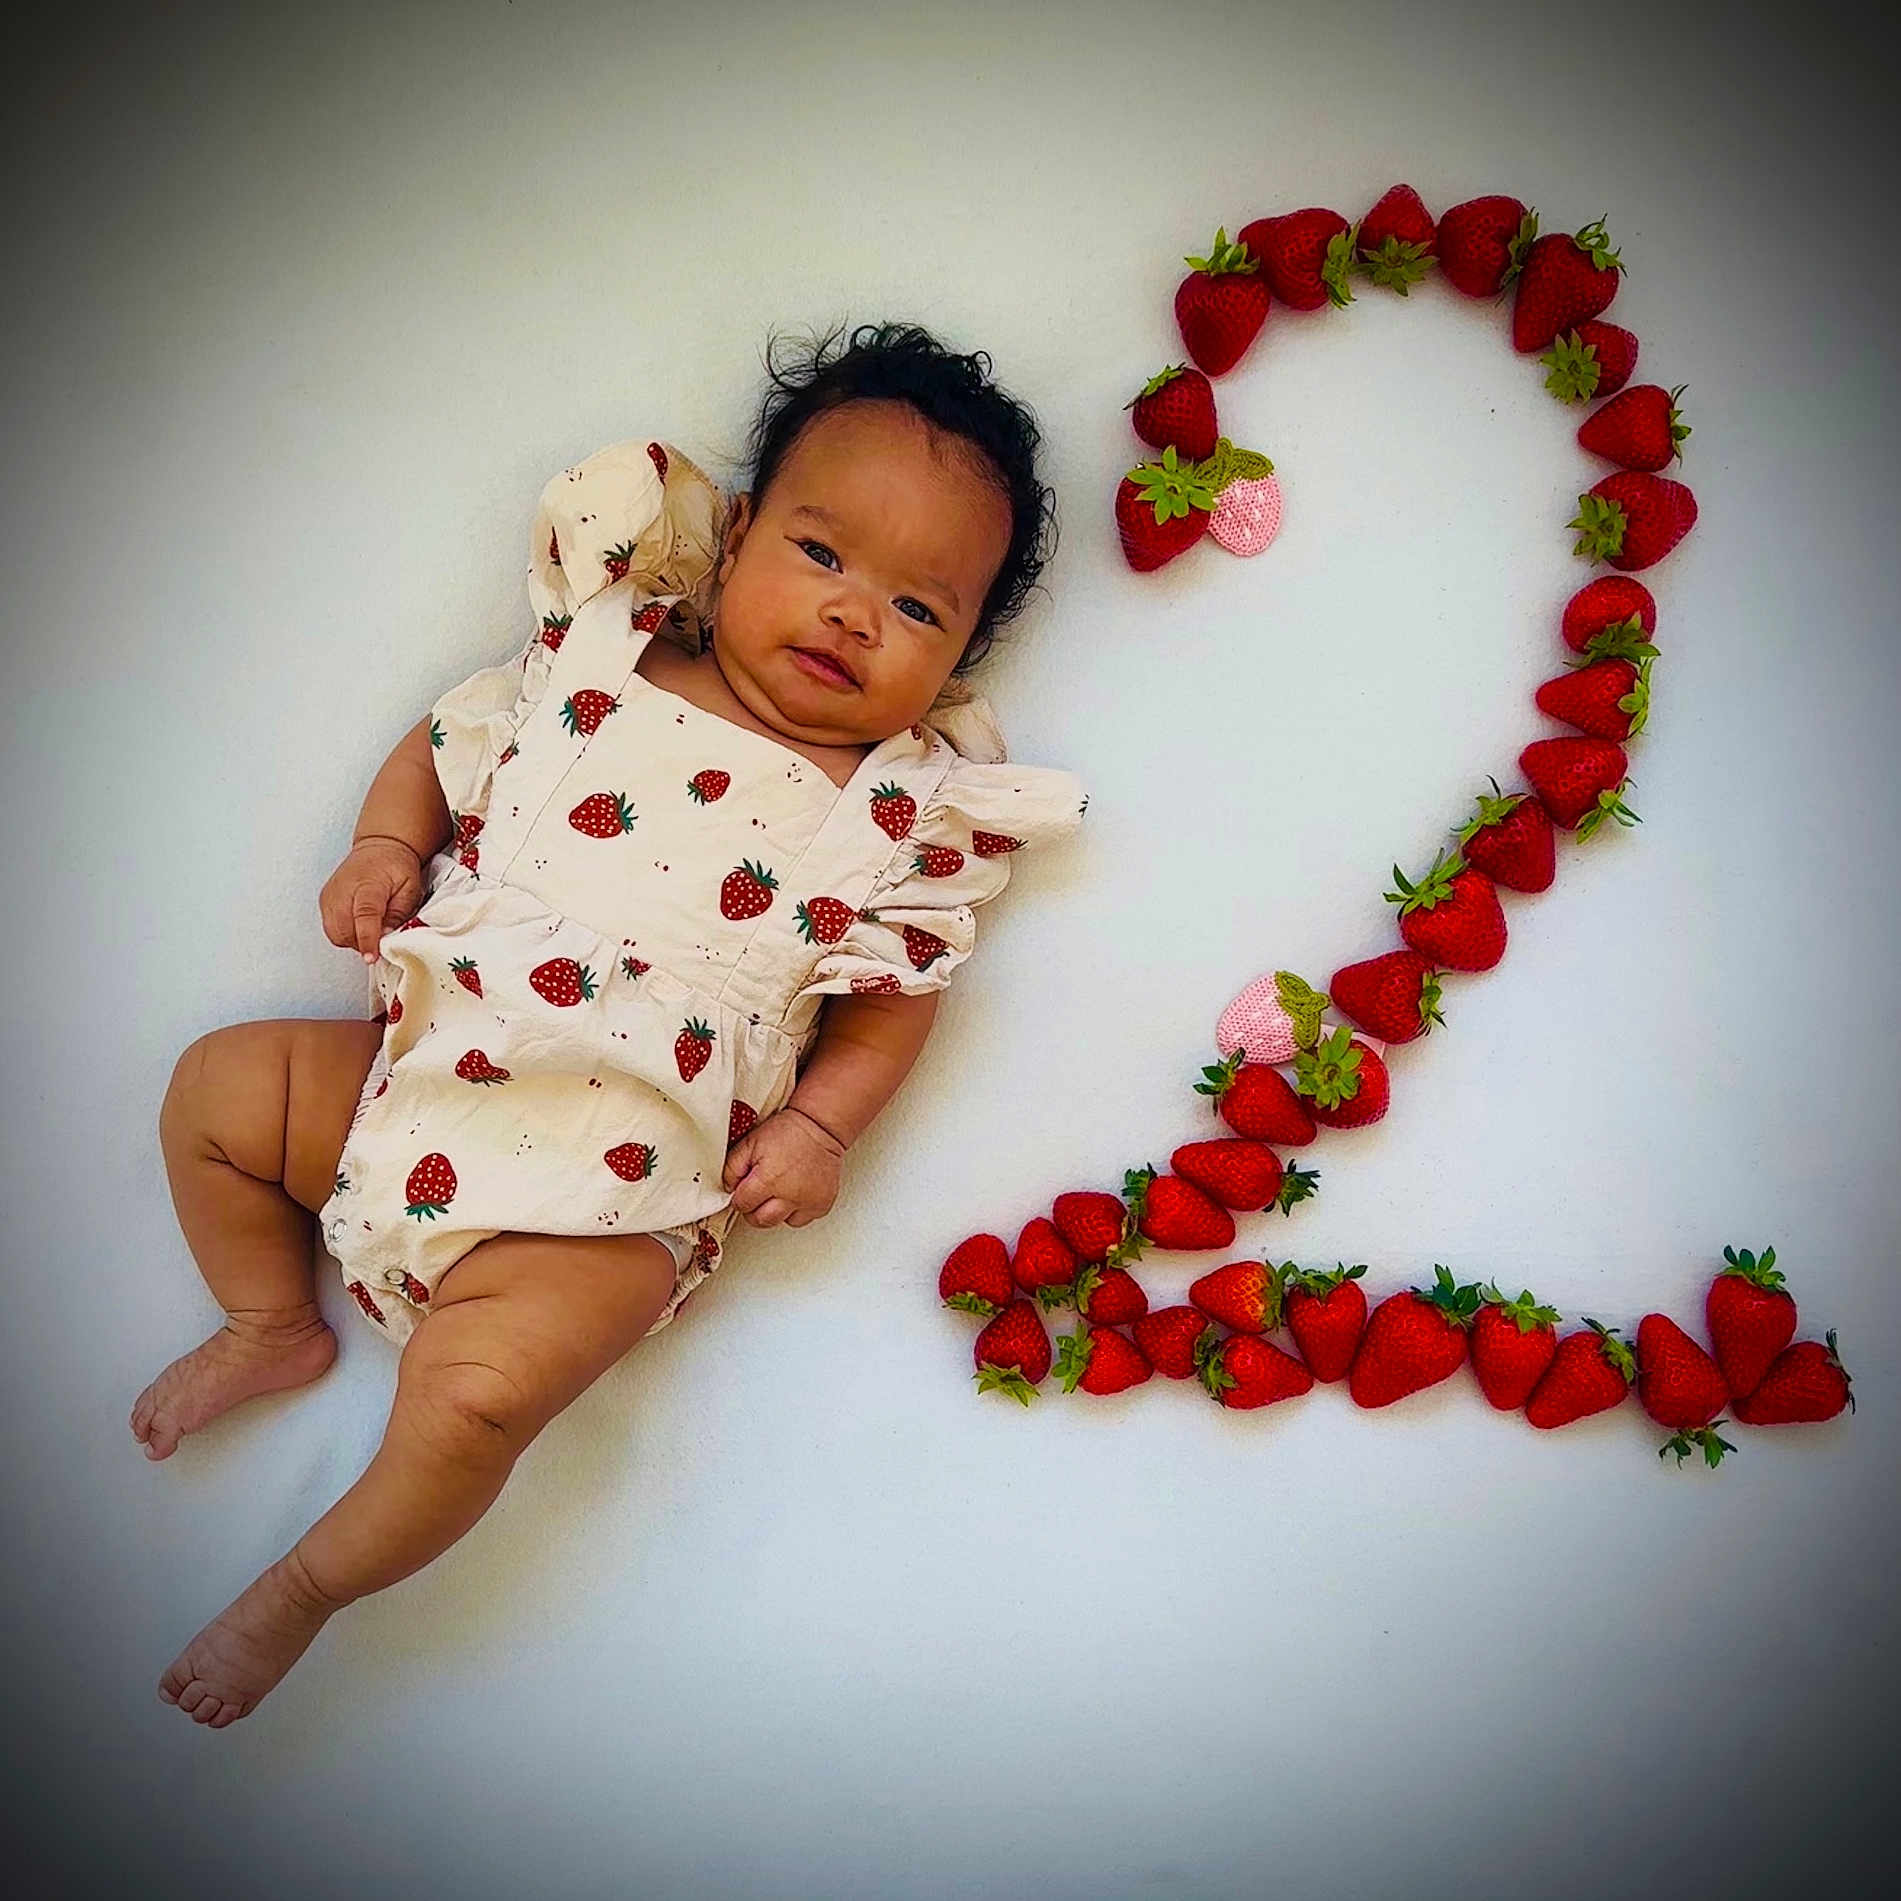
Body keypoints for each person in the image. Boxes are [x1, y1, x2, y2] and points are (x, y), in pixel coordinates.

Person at [133, 320, 1089, 1726]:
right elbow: (440, 743)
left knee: (476, 1403)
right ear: (743, 530)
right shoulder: (601, 661)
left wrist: (823, 1124)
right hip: (407, 1087)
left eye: (917, 606)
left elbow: (894, 1003)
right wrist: (383, 848)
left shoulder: (892, 815)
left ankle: (302, 1587)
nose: (849, 614)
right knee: (217, 1091)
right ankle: (270, 1315)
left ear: (957, 652)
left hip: (605, 1202)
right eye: (823, 555)